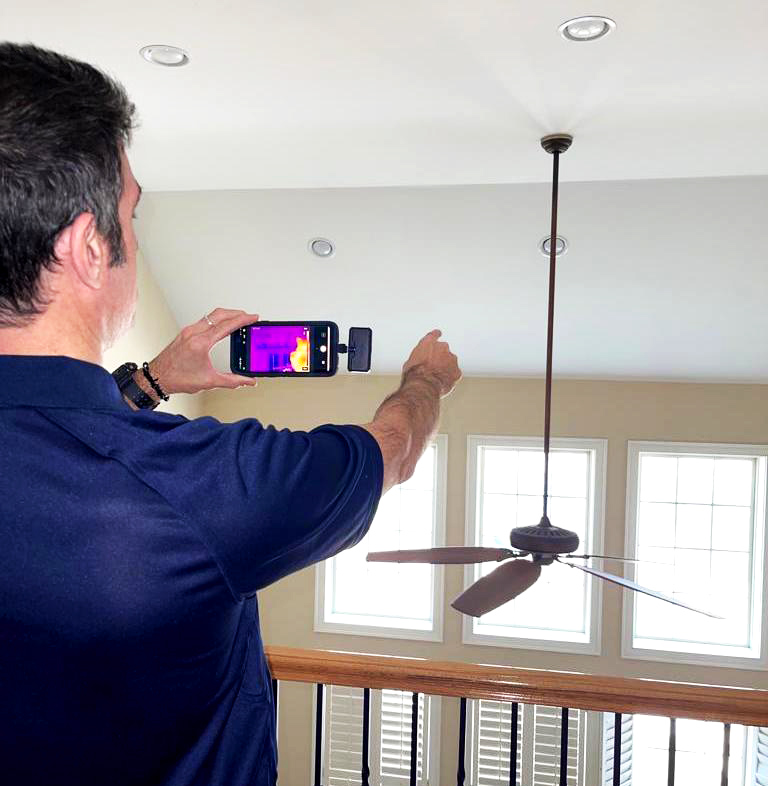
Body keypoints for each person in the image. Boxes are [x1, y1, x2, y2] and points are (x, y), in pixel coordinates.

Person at [0, 42, 461, 785]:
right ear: (90, 246)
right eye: (131, 212)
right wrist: (426, 379)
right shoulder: (204, 487)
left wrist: (151, 380)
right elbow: (392, 450)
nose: (137, 238)